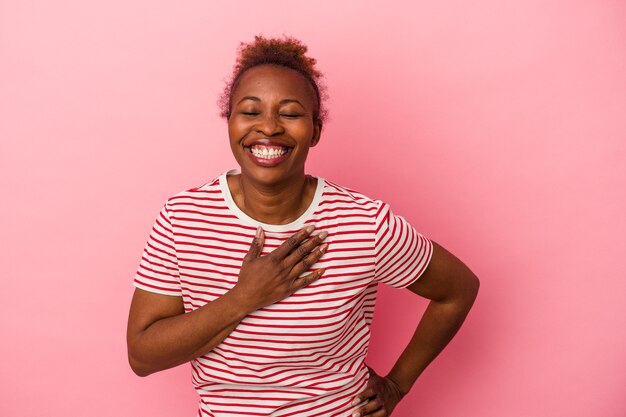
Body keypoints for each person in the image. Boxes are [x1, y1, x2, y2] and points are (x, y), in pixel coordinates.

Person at [127, 35, 479, 417]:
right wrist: (244, 298)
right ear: (228, 121)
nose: (269, 127)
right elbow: (143, 356)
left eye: (290, 114)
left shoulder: (364, 223)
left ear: (315, 129)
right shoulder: (183, 218)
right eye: (250, 111)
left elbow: (457, 289)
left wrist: (397, 384)